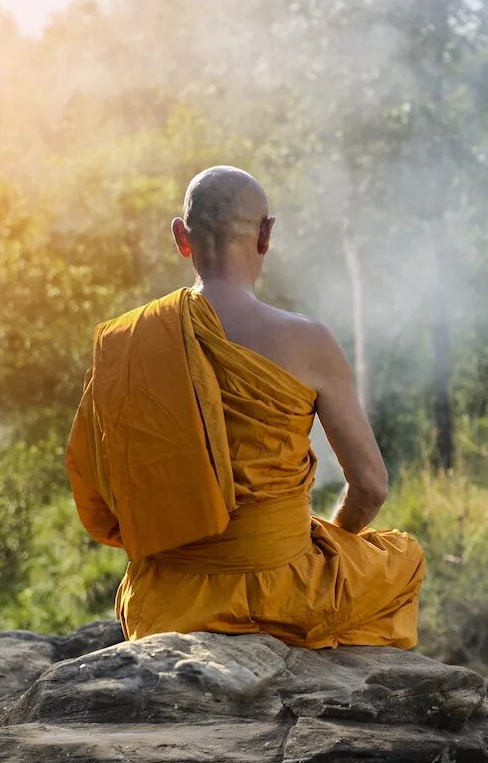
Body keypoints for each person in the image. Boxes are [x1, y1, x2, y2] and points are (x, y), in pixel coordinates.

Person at [66, 165, 424, 649]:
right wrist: (329, 541)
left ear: (180, 236)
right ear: (266, 235)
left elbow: (102, 497)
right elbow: (370, 487)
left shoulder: (130, 342)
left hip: (167, 599)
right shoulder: (308, 341)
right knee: (404, 557)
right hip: (282, 589)